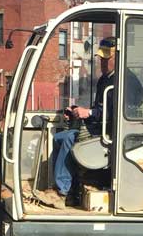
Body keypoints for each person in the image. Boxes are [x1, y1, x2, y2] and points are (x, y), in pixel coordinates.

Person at [36, 36, 137, 208]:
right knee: (59, 138)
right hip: (98, 128)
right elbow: (99, 108)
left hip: (111, 135)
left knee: (69, 139)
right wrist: (77, 112)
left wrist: (89, 112)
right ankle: (68, 192)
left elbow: (117, 114)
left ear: (118, 58)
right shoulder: (105, 80)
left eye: (107, 59)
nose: (102, 63)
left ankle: (62, 193)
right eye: (101, 59)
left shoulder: (126, 82)